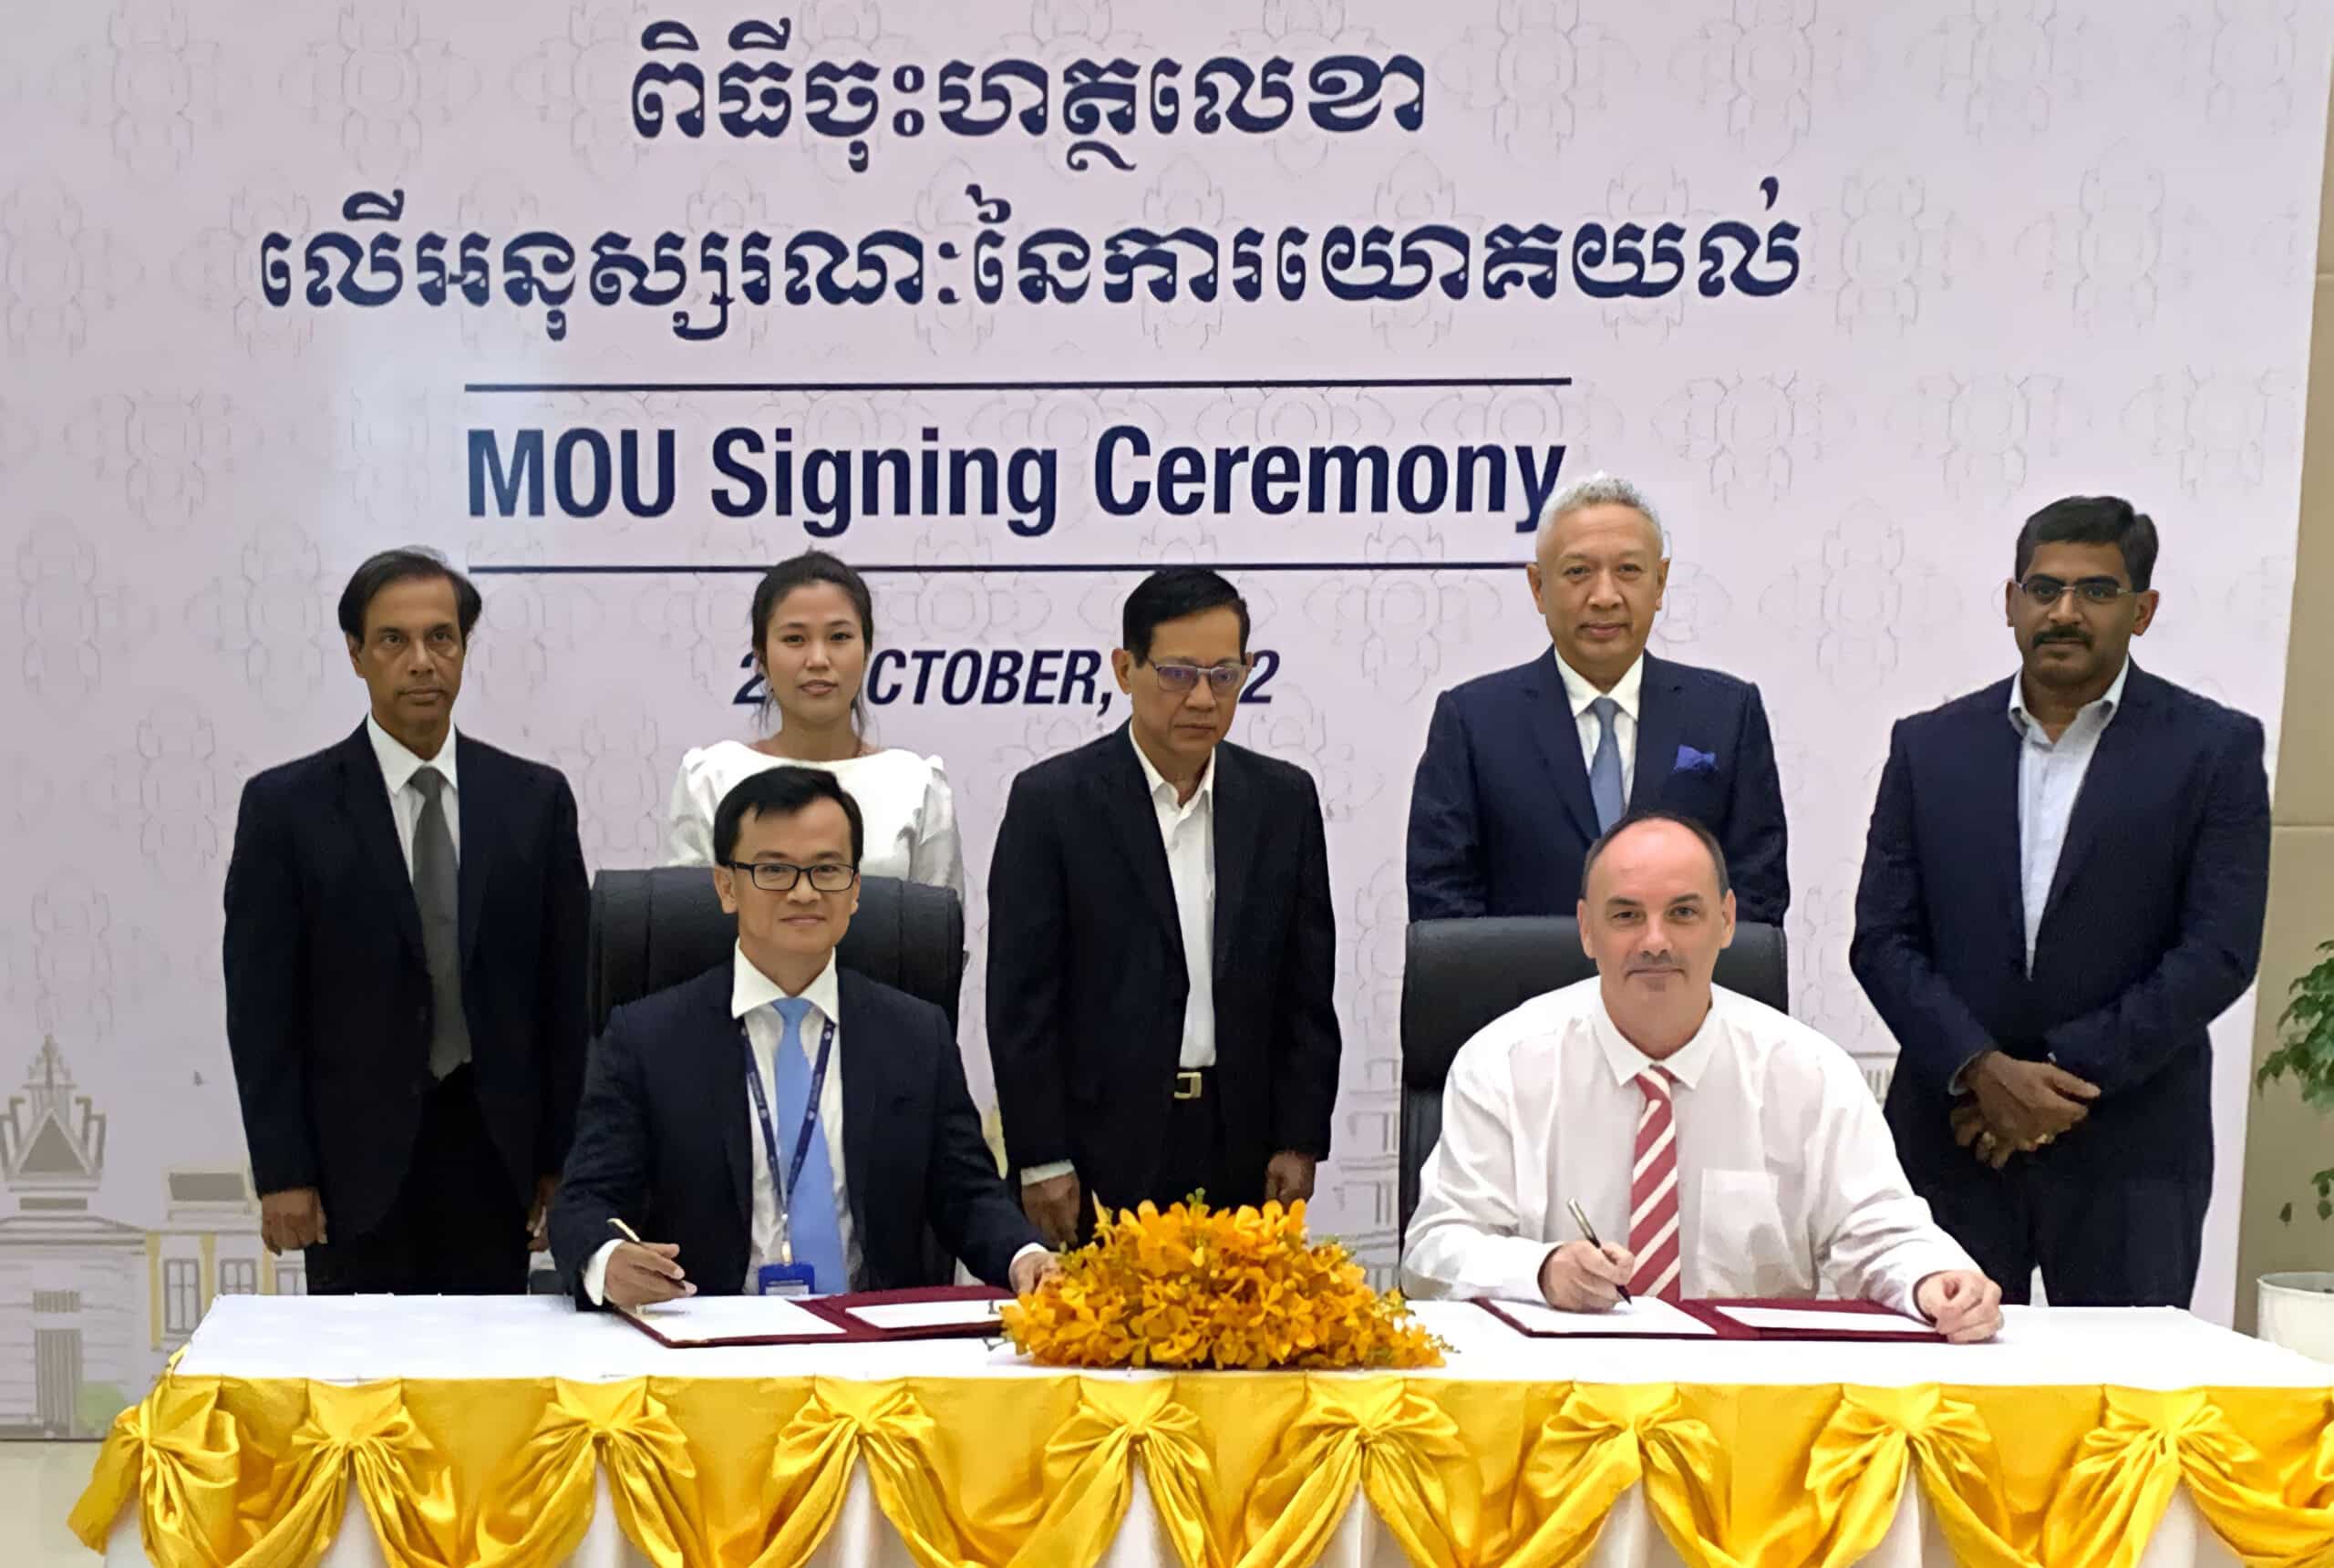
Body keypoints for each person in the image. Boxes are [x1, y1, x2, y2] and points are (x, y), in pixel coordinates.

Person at [1852, 496, 2270, 1308]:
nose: (2065, 612)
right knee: (1938, 1379)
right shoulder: (1929, 747)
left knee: (2125, 1384)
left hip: (2132, 1147)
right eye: (2044, 589)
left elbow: (2218, 951)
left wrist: (2055, 1082)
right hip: (1953, 1138)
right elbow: (1883, 939)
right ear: (2012, 602)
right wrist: (1981, 1071)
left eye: (2097, 591)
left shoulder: (2213, 750)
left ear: (2142, 610)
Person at [1402, 810, 2002, 1342]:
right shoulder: (1503, 1064)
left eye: (1683, 913)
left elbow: (1882, 1233)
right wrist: (1541, 1271)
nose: (1655, 941)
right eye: (1626, 915)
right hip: (1560, 1391)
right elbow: (1432, 1253)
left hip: (1752, 1398)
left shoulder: (1811, 1074)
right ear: (1586, 929)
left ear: (1727, 921)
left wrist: (1933, 1280)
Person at [222, 548, 589, 1295]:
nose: (422, 661)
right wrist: (283, 1172)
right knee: (360, 1367)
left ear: (463, 648)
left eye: (441, 638)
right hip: (351, 1170)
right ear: (356, 653)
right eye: (394, 640)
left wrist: (564, 1162)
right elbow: (262, 1010)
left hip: (498, 1161)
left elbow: (568, 999)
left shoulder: (534, 801)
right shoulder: (286, 810)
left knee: (493, 1366)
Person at [553, 767, 1051, 1306]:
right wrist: (607, 1260)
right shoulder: (647, 1039)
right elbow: (585, 1201)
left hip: (872, 1339)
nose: (805, 892)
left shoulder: (915, 1035)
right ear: (726, 887)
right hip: (708, 1332)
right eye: (774, 870)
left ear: (854, 889)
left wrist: (1025, 1256)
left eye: (827, 870)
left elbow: (970, 1196)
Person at [986, 567, 1342, 1247]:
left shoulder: (1282, 801)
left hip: (1240, 1147)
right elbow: (1021, 1002)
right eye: (1178, 674)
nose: (1203, 698)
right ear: (1126, 669)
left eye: (1225, 675)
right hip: (1098, 1151)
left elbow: (1306, 991)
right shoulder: (1052, 803)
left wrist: (1299, 1138)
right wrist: (1041, 1156)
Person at [1406, 472, 1789, 924]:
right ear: (1538, 587)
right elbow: (1444, 905)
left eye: (1628, 570)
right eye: (1578, 572)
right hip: (1521, 974)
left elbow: (1755, 898)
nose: (1605, 597)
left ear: (1660, 582)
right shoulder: (1473, 723)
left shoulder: (1727, 715)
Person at [665, 550, 964, 893]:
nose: (818, 660)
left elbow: (939, 923)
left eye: (839, 637)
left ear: (867, 651)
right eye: (794, 639)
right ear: (761, 657)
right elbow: (685, 920)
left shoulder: (916, 784)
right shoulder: (710, 779)